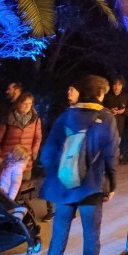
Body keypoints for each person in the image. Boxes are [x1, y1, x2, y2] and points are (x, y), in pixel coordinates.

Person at [38, 75, 119, 255]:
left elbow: (48, 153)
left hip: (63, 191)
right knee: (90, 240)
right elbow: (111, 155)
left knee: (56, 245)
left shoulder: (66, 116)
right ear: (98, 93)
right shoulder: (106, 118)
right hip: (91, 188)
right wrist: (112, 184)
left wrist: (60, 175)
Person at [42, 84, 80, 222]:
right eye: (68, 89)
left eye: (72, 89)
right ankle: (51, 210)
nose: (68, 92)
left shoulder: (83, 109)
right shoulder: (60, 107)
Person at [0, 92, 42, 184]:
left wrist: (34, 151)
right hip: (8, 160)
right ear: (18, 103)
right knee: (3, 188)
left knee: (18, 191)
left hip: (25, 161)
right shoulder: (8, 118)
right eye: (24, 103)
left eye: (30, 103)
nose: (27, 106)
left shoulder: (35, 119)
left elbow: (38, 137)